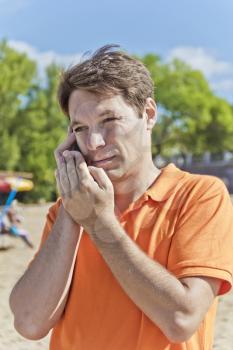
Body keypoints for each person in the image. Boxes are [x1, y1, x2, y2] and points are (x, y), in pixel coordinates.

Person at [9, 45, 233, 350]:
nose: (95, 142)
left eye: (109, 120)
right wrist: (73, 211)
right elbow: (29, 322)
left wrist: (99, 224)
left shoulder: (200, 195)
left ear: (149, 114)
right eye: (80, 128)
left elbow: (181, 319)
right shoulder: (69, 211)